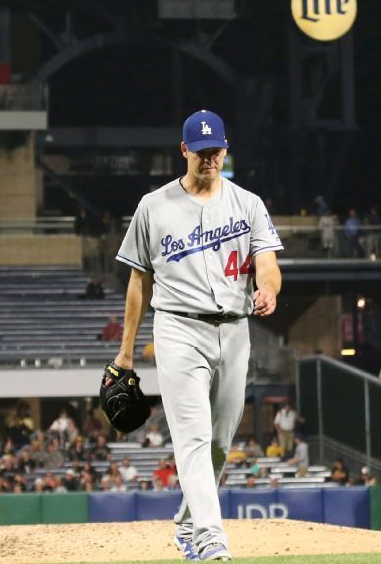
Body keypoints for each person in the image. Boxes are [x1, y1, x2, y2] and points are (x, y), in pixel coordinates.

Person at [113, 110, 282, 562]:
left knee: (222, 441)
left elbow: (267, 262)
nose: (210, 159)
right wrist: (126, 352)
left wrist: (267, 288)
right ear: (184, 150)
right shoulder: (154, 205)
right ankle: (211, 541)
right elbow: (137, 282)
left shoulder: (248, 203)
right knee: (192, 436)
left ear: (226, 149)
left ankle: (188, 523)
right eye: (201, 152)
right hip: (178, 328)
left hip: (234, 329)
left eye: (216, 151)